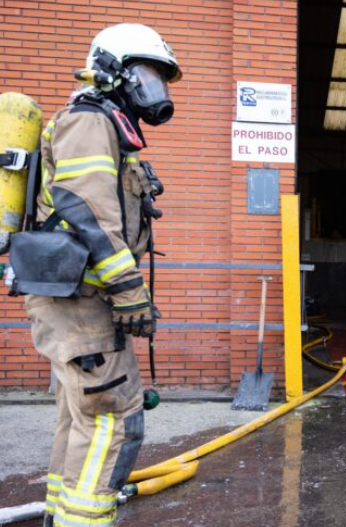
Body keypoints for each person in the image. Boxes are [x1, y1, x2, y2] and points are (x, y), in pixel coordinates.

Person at [23, 24, 181, 527]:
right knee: (113, 417)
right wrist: (131, 290)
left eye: (160, 80)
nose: (154, 90)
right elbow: (87, 211)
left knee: (82, 417)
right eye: (146, 75)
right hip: (84, 301)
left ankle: (60, 516)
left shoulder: (107, 126)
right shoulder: (90, 121)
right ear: (113, 70)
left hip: (84, 300)